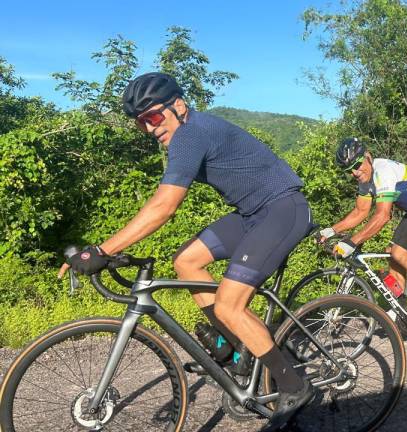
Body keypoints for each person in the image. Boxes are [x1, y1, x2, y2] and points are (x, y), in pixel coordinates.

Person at [58, 72, 314, 430]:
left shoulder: (191, 133)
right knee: (187, 261)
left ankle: (294, 386)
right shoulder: (185, 134)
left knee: (229, 303)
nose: (149, 129)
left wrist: (102, 249)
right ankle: (235, 348)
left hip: (282, 209)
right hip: (252, 213)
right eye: (140, 123)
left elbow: (164, 206)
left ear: (178, 106)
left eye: (153, 117)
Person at [319, 138, 407, 327]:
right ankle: (402, 306)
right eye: (348, 170)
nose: (354, 173)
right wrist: (330, 230)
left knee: (401, 252)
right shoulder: (365, 179)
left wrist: (352, 241)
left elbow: (383, 216)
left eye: (357, 165)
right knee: (392, 252)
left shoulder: (383, 171)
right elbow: (360, 212)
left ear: (368, 156)